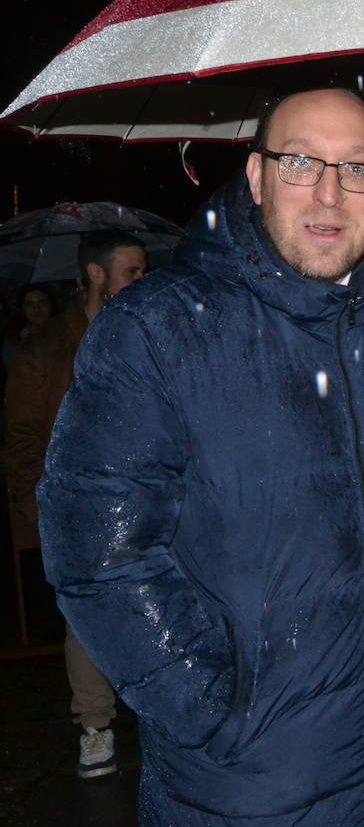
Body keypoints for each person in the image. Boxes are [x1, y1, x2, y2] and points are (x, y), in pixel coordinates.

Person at [39, 87, 364, 824]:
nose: (330, 193)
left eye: (359, 169)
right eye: (301, 162)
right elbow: (96, 552)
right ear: (257, 177)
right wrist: (207, 707)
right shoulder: (158, 327)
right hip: (244, 786)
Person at [5, 230, 146, 777]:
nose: (141, 280)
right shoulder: (46, 348)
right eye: (131, 271)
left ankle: (161, 715)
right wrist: (38, 511)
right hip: (77, 507)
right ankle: (95, 726)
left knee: (155, 610)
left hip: (145, 499)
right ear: (96, 274)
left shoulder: (145, 332)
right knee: (86, 620)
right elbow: (20, 437)